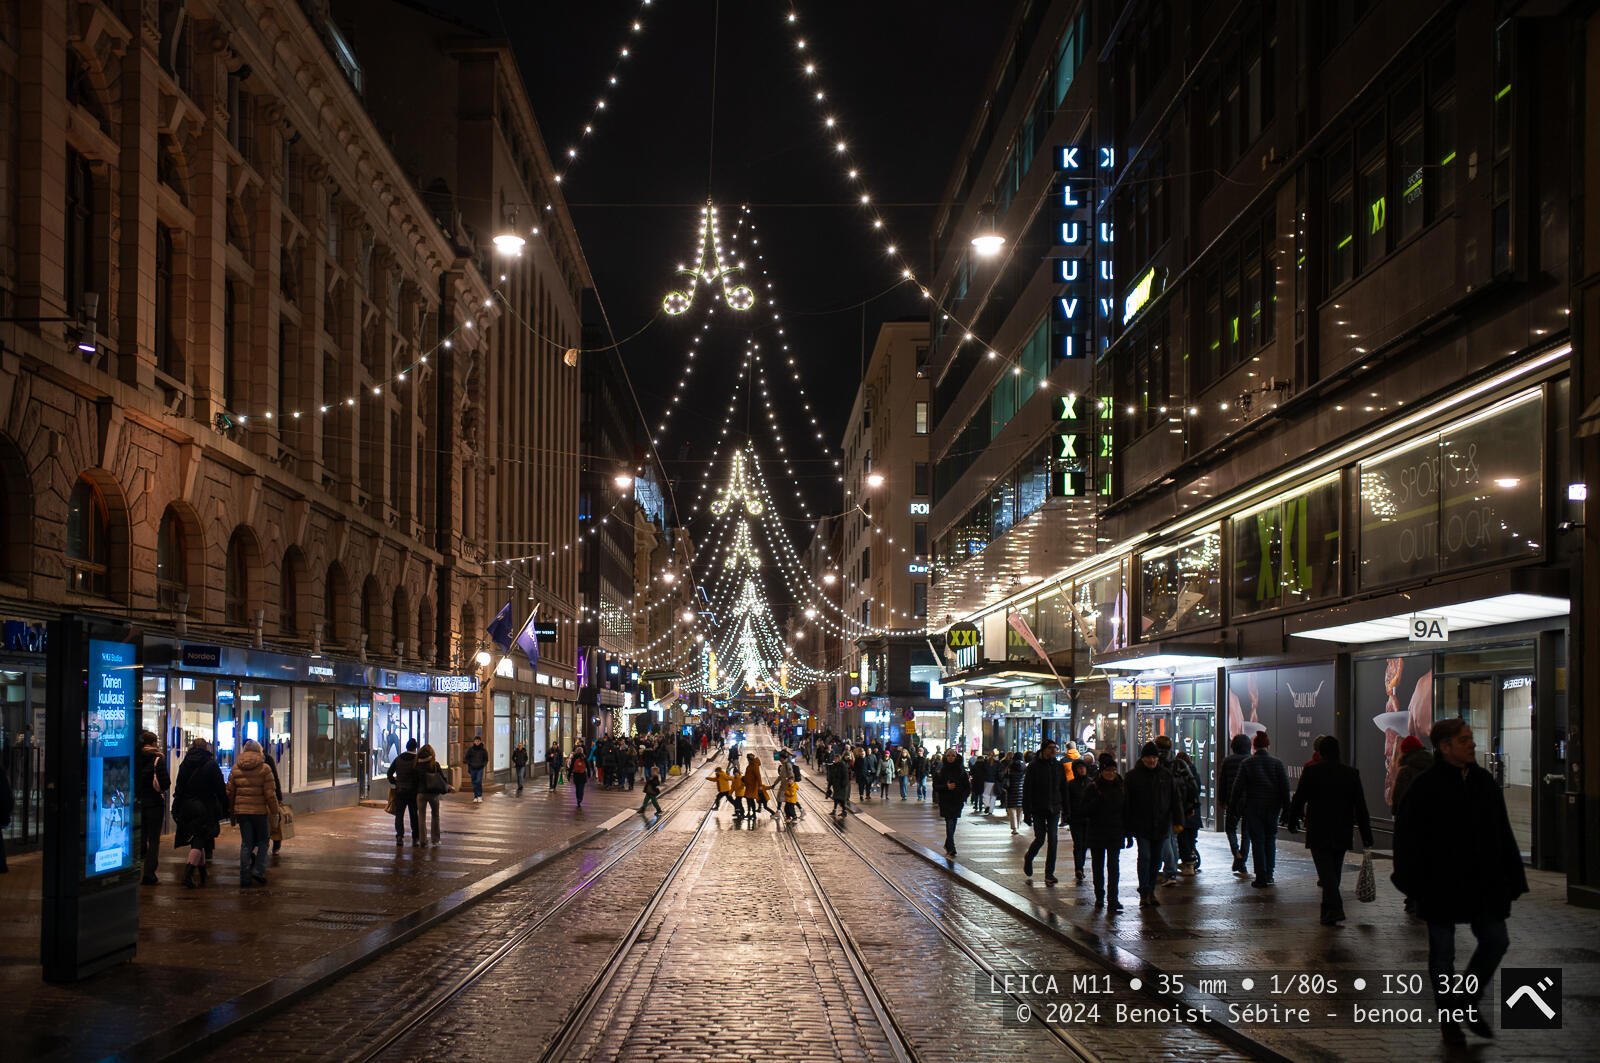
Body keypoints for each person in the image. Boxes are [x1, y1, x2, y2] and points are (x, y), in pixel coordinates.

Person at [1392, 719, 1527, 1045]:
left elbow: (1503, 832)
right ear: (1445, 747)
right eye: (1464, 740)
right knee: (1443, 954)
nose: (1472, 744)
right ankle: (1450, 1019)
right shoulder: (1426, 787)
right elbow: (1406, 839)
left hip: (1484, 884)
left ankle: (1466, 1000)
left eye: (1471, 739)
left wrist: (1513, 877)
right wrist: (1413, 883)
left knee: (1496, 940)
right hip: (1440, 885)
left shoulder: (1483, 783)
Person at [1287, 736, 1373, 926]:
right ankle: (1328, 912)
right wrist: (1366, 835)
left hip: (1319, 828)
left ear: (1321, 752)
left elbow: (1299, 798)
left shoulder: (1312, 772)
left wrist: (1292, 821)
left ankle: (1334, 907)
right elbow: (1360, 806)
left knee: (1326, 871)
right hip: (1342, 828)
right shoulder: (1351, 773)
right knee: (1334, 870)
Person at [1230, 730, 1291, 888]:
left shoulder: (1247, 763)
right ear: (1268, 746)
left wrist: (1233, 807)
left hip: (1253, 808)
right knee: (1270, 839)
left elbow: (1237, 788)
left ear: (1254, 747)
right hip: (1272, 809)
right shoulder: (1277, 764)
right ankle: (1270, 874)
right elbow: (1285, 788)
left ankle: (1261, 876)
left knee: (1257, 841)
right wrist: (1287, 809)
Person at [1125, 742, 1182, 907]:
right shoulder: (1133, 777)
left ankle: (1150, 890)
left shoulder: (1165, 775)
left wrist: (1178, 821)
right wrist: (1127, 829)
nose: (1152, 760)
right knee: (1145, 857)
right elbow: (1128, 804)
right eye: (1149, 757)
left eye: (1154, 757)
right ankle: (1144, 891)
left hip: (1162, 825)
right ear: (1143, 758)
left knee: (1156, 860)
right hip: (1141, 825)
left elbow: (1174, 799)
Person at [225, 739, 281, 888]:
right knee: (263, 841)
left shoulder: (236, 768)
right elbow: (270, 794)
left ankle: (245, 877)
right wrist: (275, 811)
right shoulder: (265, 769)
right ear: (259, 751)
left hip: (242, 812)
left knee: (246, 844)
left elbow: (230, 792)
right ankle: (258, 870)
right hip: (259, 811)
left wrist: (231, 811)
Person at [172, 737, 226, 888]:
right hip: (205, 806)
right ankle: (188, 874)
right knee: (200, 838)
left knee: (198, 837)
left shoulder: (185, 764)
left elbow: (179, 787)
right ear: (206, 748)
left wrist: (176, 807)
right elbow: (220, 788)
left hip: (187, 806)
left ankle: (202, 873)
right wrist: (225, 805)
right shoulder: (210, 764)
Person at [1082, 753, 1128, 910]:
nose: (1110, 773)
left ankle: (1113, 899)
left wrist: (1128, 833)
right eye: (1108, 770)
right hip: (1097, 832)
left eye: (1113, 770)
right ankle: (1099, 897)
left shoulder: (1121, 786)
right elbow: (1085, 810)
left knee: (1114, 867)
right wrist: (1098, 802)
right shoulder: (1093, 787)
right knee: (1098, 866)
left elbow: (1126, 811)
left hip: (1115, 831)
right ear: (1101, 771)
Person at [1021, 740, 1067, 885]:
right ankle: (1029, 857)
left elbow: (1064, 788)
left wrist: (1066, 809)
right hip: (1038, 807)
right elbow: (1027, 789)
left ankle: (1049, 873)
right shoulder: (1034, 766)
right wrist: (1027, 812)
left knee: (1053, 839)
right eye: (1050, 748)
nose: (1053, 750)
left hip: (1054, 807)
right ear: (1044, 750)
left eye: (1055, 747)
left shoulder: (1058, 766)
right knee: (1040, 838)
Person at [136, 730, 169, 885]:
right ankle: (149, 873)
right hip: (154, 803)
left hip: (137, 803)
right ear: (154, 743)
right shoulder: (158, 759)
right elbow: (165, 783)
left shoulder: (135, 757)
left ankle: (134, 869)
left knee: (138, 836)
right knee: (154, 839)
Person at [1218, 733, 1253, 875]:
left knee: (1230, 828)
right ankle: (1242, 859)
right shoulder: (1251, 760)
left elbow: (1223, 782)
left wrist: (1222, 799)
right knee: (1247, 832)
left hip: (1233, 800)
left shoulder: (1227, 761)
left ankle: (1236, 852)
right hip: (1249, 801)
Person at [932, 748, 970, 857]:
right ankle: (951, 846)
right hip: (946, 800)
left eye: (953, 756)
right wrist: (946, 787)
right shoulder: (941, 770)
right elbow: (936, 786)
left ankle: (948, 844)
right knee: (949, 821)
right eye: (948, 756)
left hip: (957, 800)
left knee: (954, 822)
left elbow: (967, 787)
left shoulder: (961, 770)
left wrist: (962, 797)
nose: (950, 758)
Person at [1173, 750, 1203, 874]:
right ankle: (1191, 862)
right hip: (1194, 813)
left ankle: (1187, 864)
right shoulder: (1194, 772)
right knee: (1191, 839)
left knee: (1183, 840)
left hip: (1184, 813)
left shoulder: (1179, 774)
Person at [387, 738, 421, 845]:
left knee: (399, 814)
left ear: (406, 747)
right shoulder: (416, 760)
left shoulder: (398, 759)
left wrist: (395, 782)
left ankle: (399, 836)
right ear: (415, 748)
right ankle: (415, 837)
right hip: (413, 791)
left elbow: (389, 773)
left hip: (400, 790)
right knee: (414, 815)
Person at [1066, 759, 1093, 884]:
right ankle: (1079, 868)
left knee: (1085, 844)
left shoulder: (1091, 783)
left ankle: (1080, 866)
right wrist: (1067, 815)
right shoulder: (1071, 785)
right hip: (1076, 818)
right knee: (1078, 844)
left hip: (1088, 819)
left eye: (1083, 768)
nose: (1082, 770)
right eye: (1079, 768)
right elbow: (1067, 802)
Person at [1390, 734, 1432, 815]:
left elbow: (1399, 798)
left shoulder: (1405, 772)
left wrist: (1395, 810)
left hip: (1411, 818)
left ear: (1404, 753)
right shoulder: (1432, 766)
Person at [414, 743, 446, 846]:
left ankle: (423, 840)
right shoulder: (435, 765)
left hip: (421, 793)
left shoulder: (416, 764)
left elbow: (414, 779)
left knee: (421, 816)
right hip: (433, 793)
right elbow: (442, 778)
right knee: (435, 815)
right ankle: (435, 840)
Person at [1003, 752, 1027, 835]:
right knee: (1020, 809)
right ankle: (1019, 824)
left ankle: (1014, 828)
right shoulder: (1024, 767)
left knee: (1012, 809)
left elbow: (1005, 777)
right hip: (1021, 790)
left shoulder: (1010, 767)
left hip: (1011, 790)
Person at [464, 735, 489, 803]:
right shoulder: (470, 749)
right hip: (472, 768)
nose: (477, 742)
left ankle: (479, 796)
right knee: (474, 782)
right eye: (476, 741)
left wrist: (483, 765)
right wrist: (470, 763)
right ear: (474, 742)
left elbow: (486, 759)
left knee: (478, 781)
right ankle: (475, 796)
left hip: (480, 768)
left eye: (478, 741)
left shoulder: (483, 750)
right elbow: (466, 758)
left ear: (480, 742)